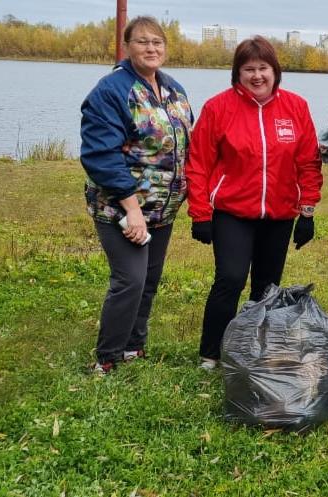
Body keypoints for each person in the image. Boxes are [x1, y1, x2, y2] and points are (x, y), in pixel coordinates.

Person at [187, 36, 323, 371]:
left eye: (263, 68)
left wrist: (307, 212)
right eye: (249, 69)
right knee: (230, 278)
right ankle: (211, 353)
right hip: (233, 212)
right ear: (238, 73)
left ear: (275, 71)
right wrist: (201, 213)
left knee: (266, 286)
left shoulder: (296, 107)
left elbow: (308, 162)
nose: (257, 75)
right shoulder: (219, 107)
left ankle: (254, 350)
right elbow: (198, 163)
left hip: (279, 214)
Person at [79, 16, 194, 374]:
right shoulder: (111, 90)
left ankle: (134, 345)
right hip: (122, 209)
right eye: (142, 42)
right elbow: (100, 154)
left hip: (162, 209)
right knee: (130, 280)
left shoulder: (173, 89)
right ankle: (108, 357)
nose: (151, 48)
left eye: (157, 42)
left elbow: (187, 139)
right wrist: (132, 209)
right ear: (127, 46)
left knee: (150, 279)